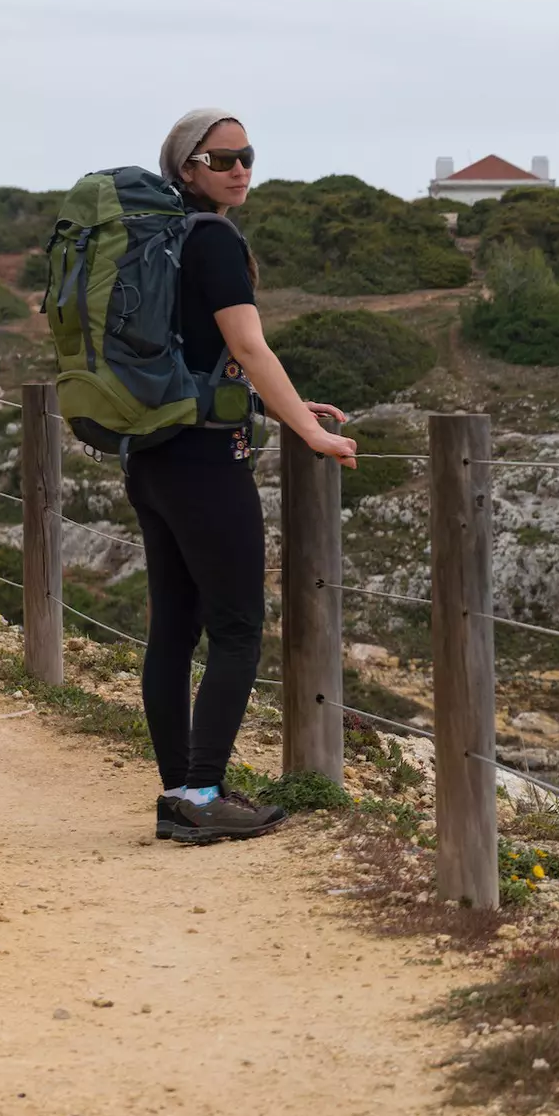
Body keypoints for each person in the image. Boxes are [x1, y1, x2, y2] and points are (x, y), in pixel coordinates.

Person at [143, 109, 359, 845]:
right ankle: (202, 792)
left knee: (173, 628)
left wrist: (295, 403)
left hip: (154, 453)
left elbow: (208, 353)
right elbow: (247, 344)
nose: (240, 168)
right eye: (222, 157)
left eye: (248, 155)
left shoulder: (159, 237)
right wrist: (309, 431)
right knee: (236, 628)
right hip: (205, 460)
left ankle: (182, 791)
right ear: (188, 167)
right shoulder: (216, 241)